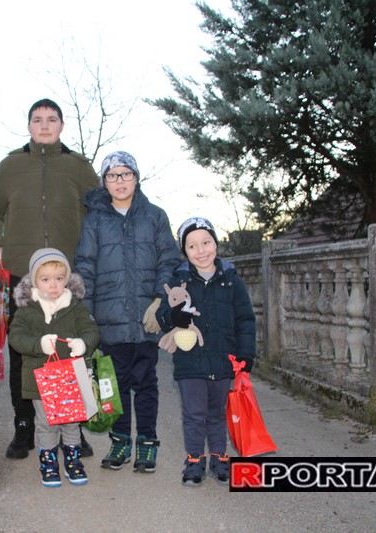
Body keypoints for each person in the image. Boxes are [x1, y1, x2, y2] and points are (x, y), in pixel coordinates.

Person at [0, 98, 99, 459]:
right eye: (37, 119)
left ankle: (72, 427)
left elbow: (98, 212)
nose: (44, 125)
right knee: (25, 350)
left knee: (71, 349)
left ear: (62, 125)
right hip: (24, 275)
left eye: (51, 119)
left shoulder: (79, 167)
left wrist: (91, 252)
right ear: (29, 126)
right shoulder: (10, 166)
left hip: (68, 276)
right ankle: (24, 427)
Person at [73, 151, 181, 474]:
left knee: (146, 382)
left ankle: (147, 442)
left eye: (126, 174)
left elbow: (169, 260)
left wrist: (160, 300)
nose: (119, 181)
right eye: (112, 175)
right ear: (104, 181)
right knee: (114, 384)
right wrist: (86, 314)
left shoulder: (155, 216)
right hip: (109, 318)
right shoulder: (94, 220)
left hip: (147, 318)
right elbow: (85, 267)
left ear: (136, 177)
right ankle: (120, 442)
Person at [156, 217, 256, 486]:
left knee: (217, 413)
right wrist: (173, 316)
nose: (201, 251)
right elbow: (162, 315)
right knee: (194, 414)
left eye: (206, 242)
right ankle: (194, 460)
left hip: (223, 360)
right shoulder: (179, 280)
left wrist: (246, 355)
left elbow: (245, 320)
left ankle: (219, 457)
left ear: (215, 243)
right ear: (185, 251)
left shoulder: (232, 282)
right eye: (192, 246)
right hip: (190, 361)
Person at [8, 248, 100, 487]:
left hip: (70, 377)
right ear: (34, 281)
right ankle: (48, 464)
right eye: (45, 279)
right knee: (46, 422)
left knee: (71, 422)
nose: (53, 285)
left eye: (59, 278)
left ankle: (73, 461)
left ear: (67, 279)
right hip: (40, 379)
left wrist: (84, 343)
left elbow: (91, 330)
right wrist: (38, 344)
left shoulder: (75, 307)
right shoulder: (27, 310)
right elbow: (15, 337)